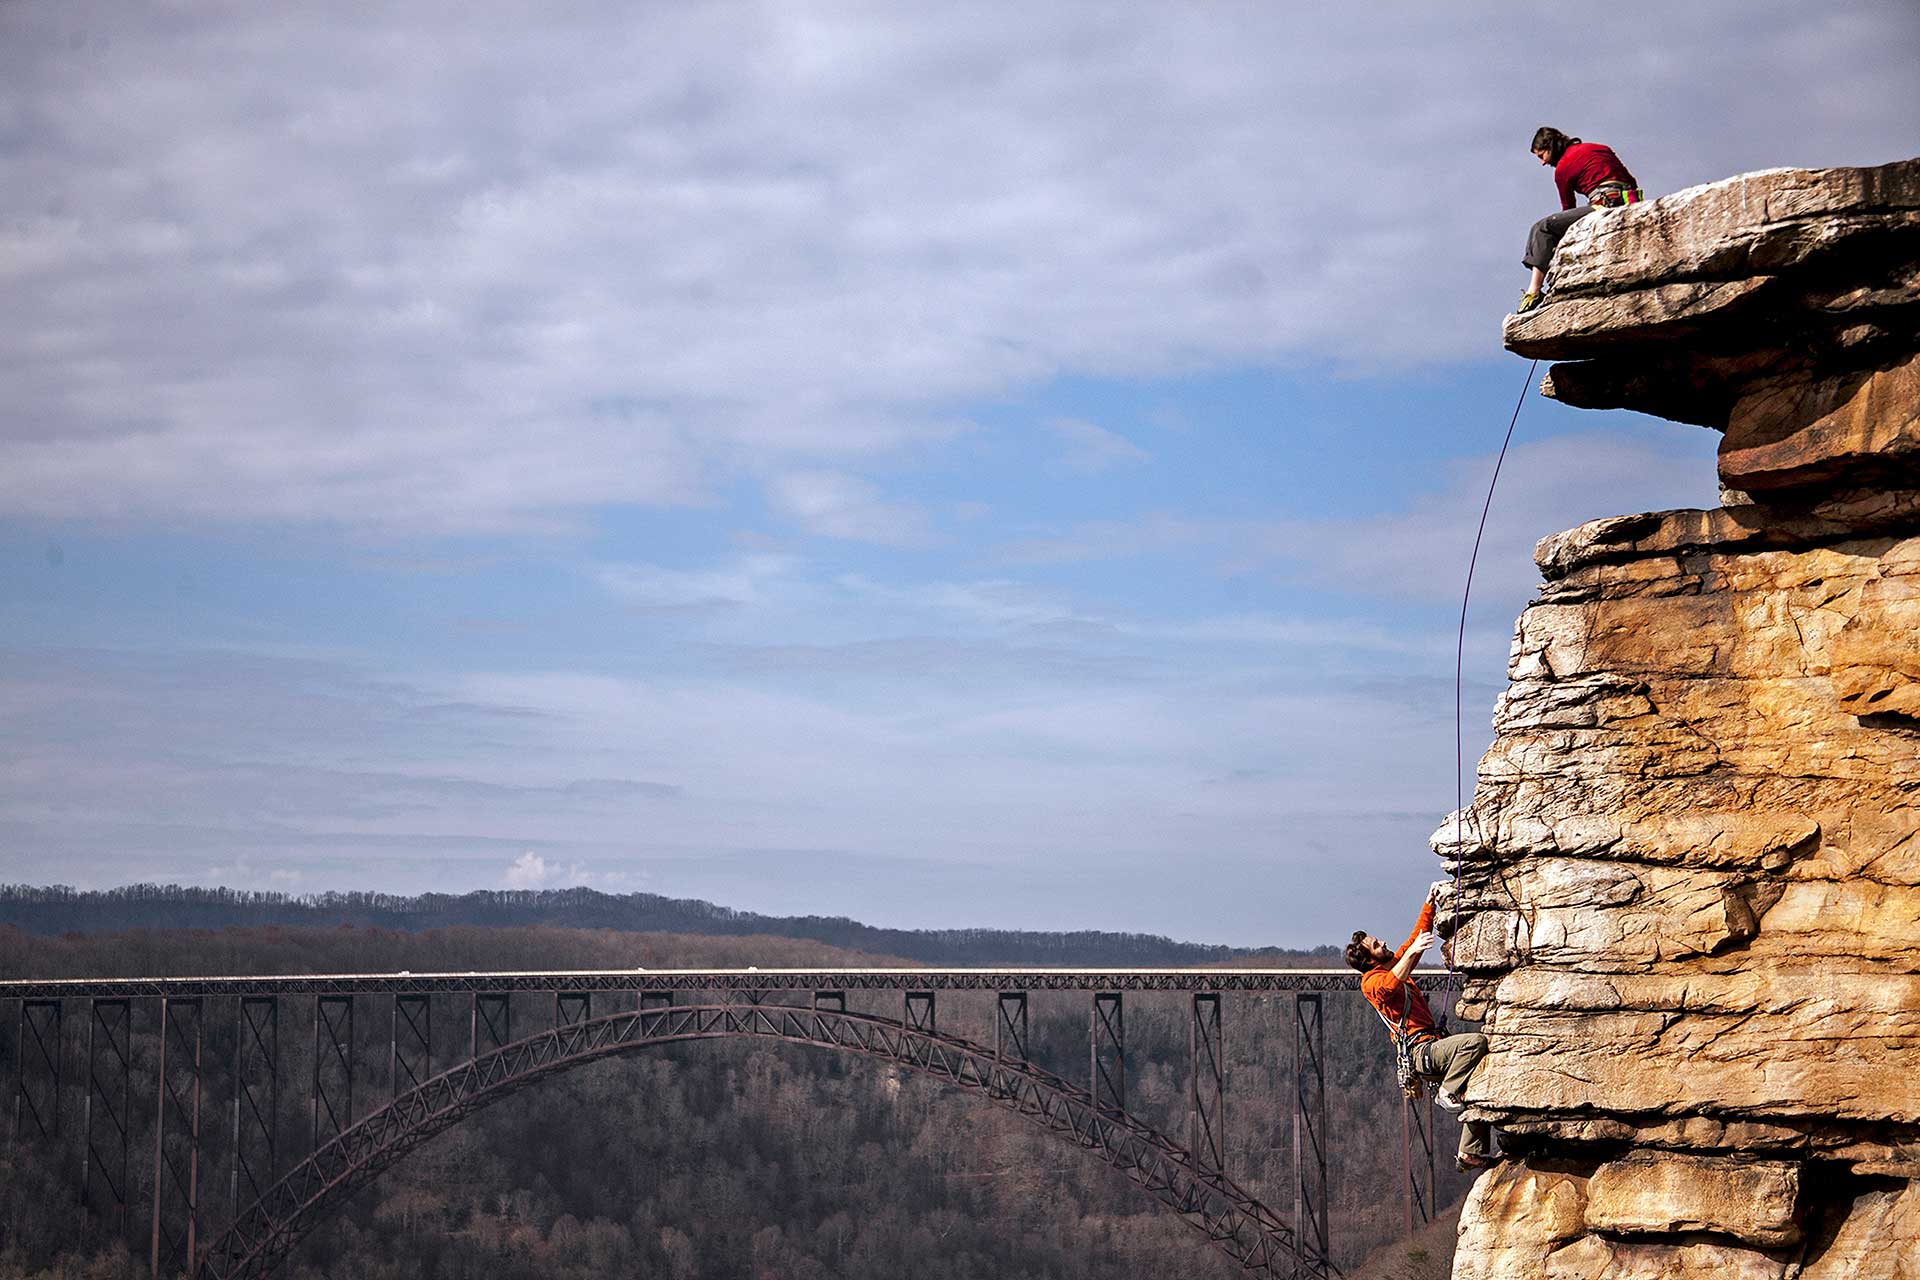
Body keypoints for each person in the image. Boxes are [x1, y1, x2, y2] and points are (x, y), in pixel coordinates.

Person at [1346, 886, 1497, 1169]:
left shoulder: (1390, 964)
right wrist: (1410, 954)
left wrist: (1429, 904)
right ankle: (1447, 1092)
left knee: (1478, 1083)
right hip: (1421, 1052)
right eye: (1377, 945)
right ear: (1368, 960)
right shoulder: (1370, 983)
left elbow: (1415, 940)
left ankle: (1469, 1152)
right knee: (1475, 1043)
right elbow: (1390, 985)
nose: (1383, 943)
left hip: (1431, 1045)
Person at [1516, 126, 1642, 314]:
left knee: (1542, 228)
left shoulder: (1562, 169)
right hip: (1630, 200)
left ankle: (1533, 291)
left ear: (1550, 147)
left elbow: (1568, 209)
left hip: (1604, 205)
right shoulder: (1600, 148)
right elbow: (1630, 180)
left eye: (1541, 156)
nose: (1542, 163)